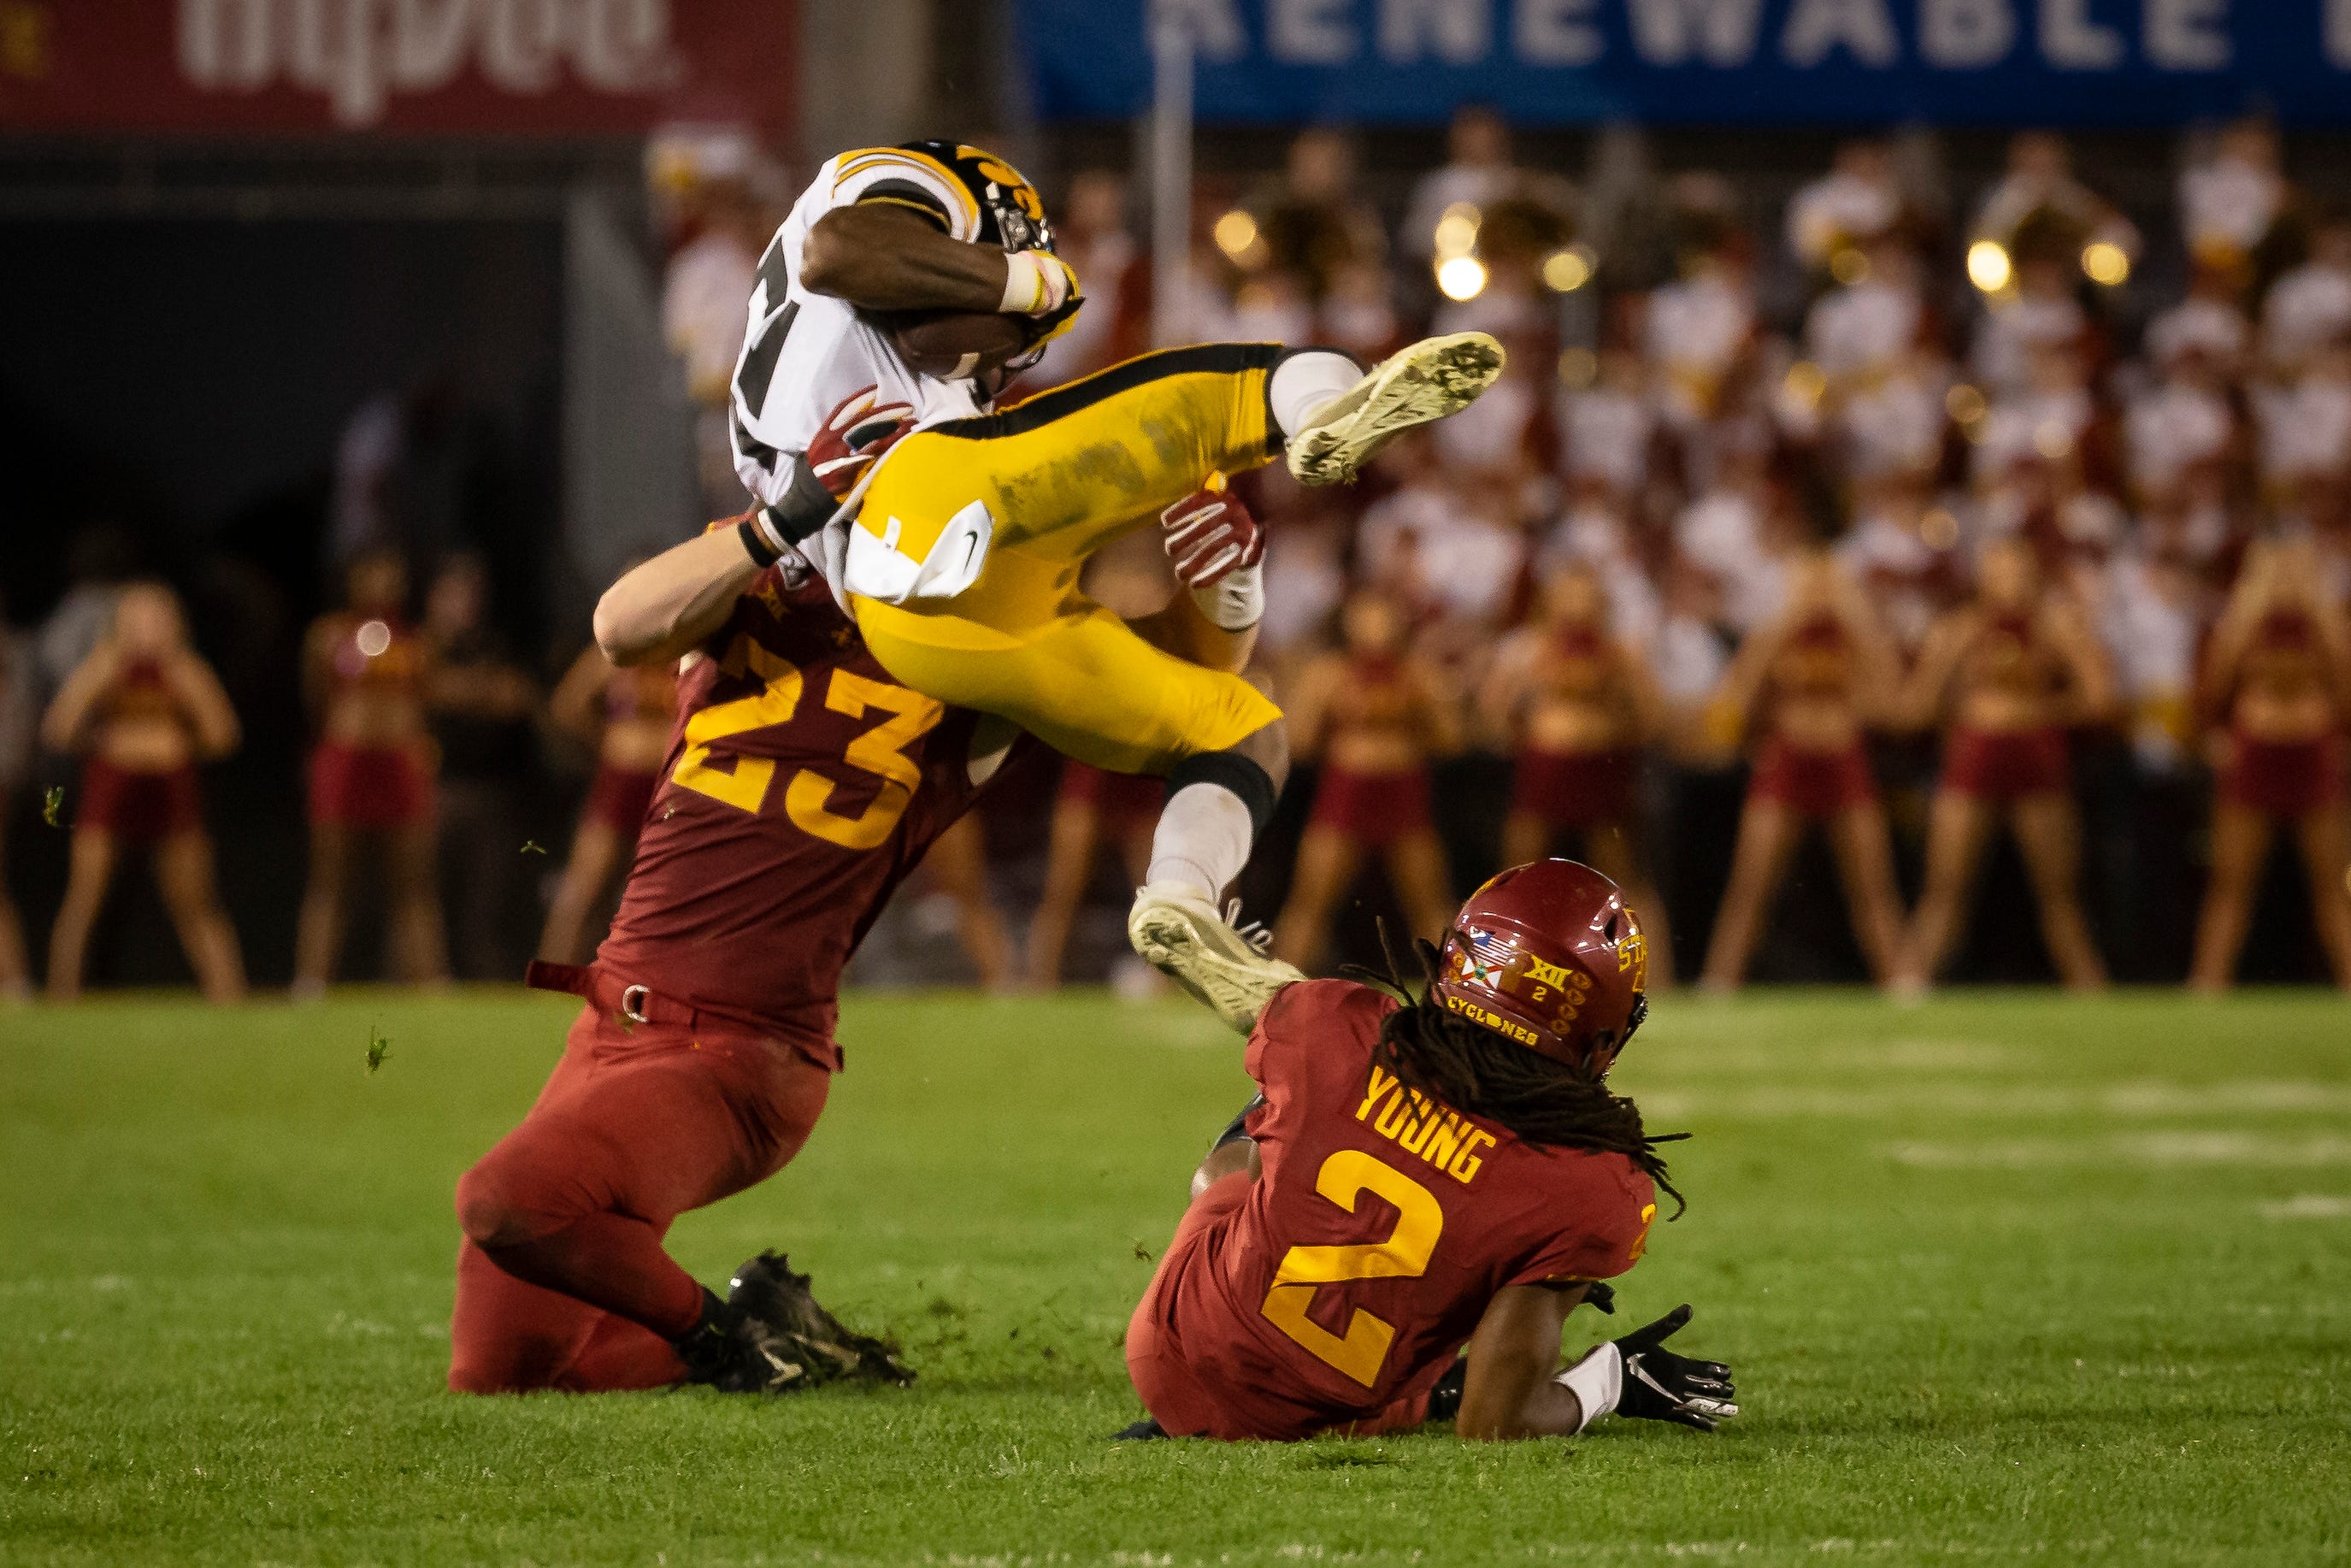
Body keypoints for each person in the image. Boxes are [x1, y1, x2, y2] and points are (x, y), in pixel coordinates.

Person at [724, 138, 1504, 1026]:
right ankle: (1320, 401)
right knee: (1229, 390)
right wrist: (1031, 286)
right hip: (908, 496)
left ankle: (1181, 897)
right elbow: (843, 255)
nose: (1003, 357)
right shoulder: (891, 188)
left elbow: (1203, 657)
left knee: (1241, 726)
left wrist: (1225, 590)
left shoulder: (888, 368)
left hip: (915, 620)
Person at [452, 515, 1047, 1397]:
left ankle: (733, 1341)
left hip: (737, 1055)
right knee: (500, 1372)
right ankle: (774, 1332)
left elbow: (1160, 700)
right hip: (610, 1026)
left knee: (505, 1199)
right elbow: (618, 626)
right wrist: (783, 519)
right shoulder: (758, 583)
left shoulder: (973, 654)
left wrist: (1222, 598)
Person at [1122, 858, 1736, 1443]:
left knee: (1239, 1164)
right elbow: (1496, 1425)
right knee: (1457, 1262)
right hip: (1323, 1418)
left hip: (1166, 1352)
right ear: (1598, 1032)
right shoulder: (1596, 1186)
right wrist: (1611, 1378)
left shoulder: (1331, 1023)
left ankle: (1273, 1011)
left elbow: (1268, 1174)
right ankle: (1436, 1369)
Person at [1900, 539, 2113, 990]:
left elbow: (2099, 699)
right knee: (1945, 887)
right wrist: (1965, 702)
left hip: (2036, 762)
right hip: (1973, 761)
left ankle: (2088, 985)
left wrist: (2035, 710)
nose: (2007, 581)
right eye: (1997, 570)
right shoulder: (1962, 629)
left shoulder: (2055, 627)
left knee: (2058, 893)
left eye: (2015, 569)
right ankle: (1910, 983)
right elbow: (1918, 706)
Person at [1699, 556, 1912, 992]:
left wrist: (1860, 628)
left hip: (1843, 762)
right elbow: (1737, 699)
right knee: (1751, 886)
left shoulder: (1855, 640)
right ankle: (1719, 982)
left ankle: (1903, 982)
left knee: (1873, 888)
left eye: (1827, 584)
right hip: (1787, 760)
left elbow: (1892, 708)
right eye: (1808, 585)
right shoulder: (1776, 637)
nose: (1818, 595)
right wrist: (1775, 632)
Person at [40, 583, 245, 1002]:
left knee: (196, 903)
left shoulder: (185, 670)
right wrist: (104, 731)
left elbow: (223, 735)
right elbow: (59, 728)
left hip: (171, 790)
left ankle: (228, 998)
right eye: (137, 619)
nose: (148, 629)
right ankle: (61, 997)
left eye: (157, 618)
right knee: (84, 899)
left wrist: (179, 735)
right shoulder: (103, 667)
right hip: (110, 787)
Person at [1483, 561, 1673, 982]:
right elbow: (1493, 718)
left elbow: (1654, 720)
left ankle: (1654, 978)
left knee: (1621, 880)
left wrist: (1620, 694)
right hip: (1544, 770)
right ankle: (1501, 972)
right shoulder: (1531, 649)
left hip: (1601, 771)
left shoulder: (1620, 651)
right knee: (1519, 876)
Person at [1271, 592, 1462, 975]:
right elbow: (1302, 740)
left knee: (1428, 900)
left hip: (1403, 790)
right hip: (1346, 792)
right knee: (1311, 899)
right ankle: (1274, 988)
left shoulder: (1418, 674)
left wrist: (1422, 707)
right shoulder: (1330, 672)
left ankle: (1461, 989)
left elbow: (1450, 739)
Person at [2188, 542, 2351, 991]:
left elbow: (2345, 691)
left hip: (2312, 757)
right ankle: (2207, 984)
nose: (2285, 582)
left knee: (2333, 885)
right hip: (2255, 757)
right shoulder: (2240, 629)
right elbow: (2211, 696)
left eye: (2296, 571)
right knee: (2231, 882)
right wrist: (2215, 740)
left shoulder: (2330, 628)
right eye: (2275, 572)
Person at [293, 551, 447, 995]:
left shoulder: (417, 641)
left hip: (399, 762)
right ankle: (311, 982)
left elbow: (426, 697)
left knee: (413, 881)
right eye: (371, 571)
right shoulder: (327, 635)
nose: (382, 581)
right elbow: (316, 698)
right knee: (331, 880)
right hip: (346, 761)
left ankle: (429, 981)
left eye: (390, 572)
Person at [537, 645, 678, 964]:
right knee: (585, 891)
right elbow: (568, 704)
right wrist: (606, 740)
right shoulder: (620, 645)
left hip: (671, 783)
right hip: (621, 780)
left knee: (665, 895)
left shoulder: (692, 647)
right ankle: (552, 984)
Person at [1026, 760, 1165, 988]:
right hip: (1093, 763)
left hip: (1146, 766)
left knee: (1161, 903)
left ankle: (1165, 988)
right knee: (1060, 898)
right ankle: (1039, 985)